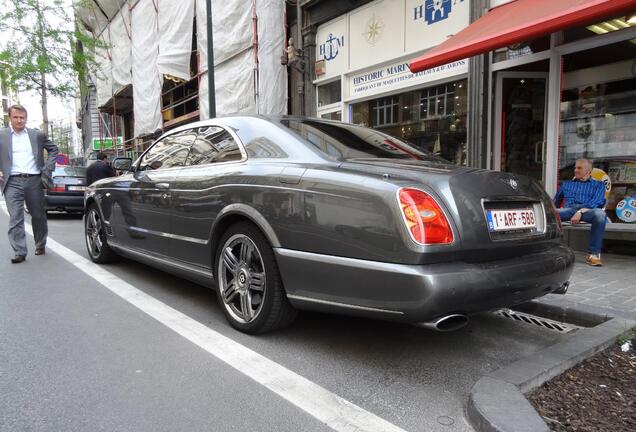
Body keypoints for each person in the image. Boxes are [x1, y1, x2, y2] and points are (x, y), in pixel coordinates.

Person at [0, 104, 59, 263]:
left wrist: (48, 168)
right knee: (15, 217)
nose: (19, 120)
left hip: (34, 180)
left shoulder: (37, 135)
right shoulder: (2, 135)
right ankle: (20, 251)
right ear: (9, 118)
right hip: (11, 181)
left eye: (22, 117)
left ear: (25, 118)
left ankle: (40, 244)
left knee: (38, 215)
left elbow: (54, 149)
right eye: (16, 117)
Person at [554, 158, 607, 266]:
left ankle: (593, 254)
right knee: (547, 215)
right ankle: (549, 251)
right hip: (568, 210)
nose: (575, 170)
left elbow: (597, 201)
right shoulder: (567, 184)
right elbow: (555, 202)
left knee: (600, 215)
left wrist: (580, 211)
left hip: (588, 211)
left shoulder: (599, 184)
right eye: (575, 168)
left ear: (589, 171)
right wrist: (552, 211)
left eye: (579, 168)